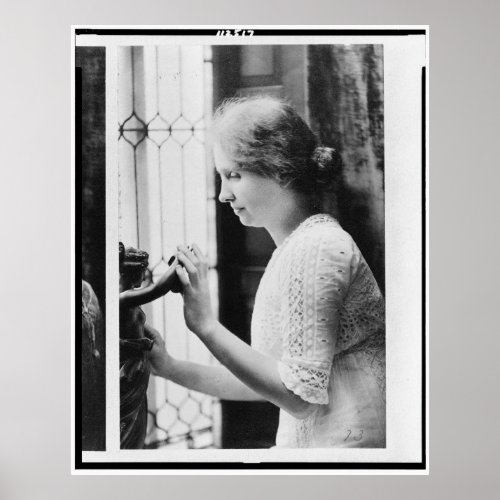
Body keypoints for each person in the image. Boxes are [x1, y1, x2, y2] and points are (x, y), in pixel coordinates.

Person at [146, 96, 386, 448]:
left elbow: (299, 399)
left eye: (234, 175)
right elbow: (269, 382)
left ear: (278, 168)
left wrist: (205, 325)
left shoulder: (317, 246)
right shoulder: (298, 248)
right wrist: (168, 366)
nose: (224, 195)